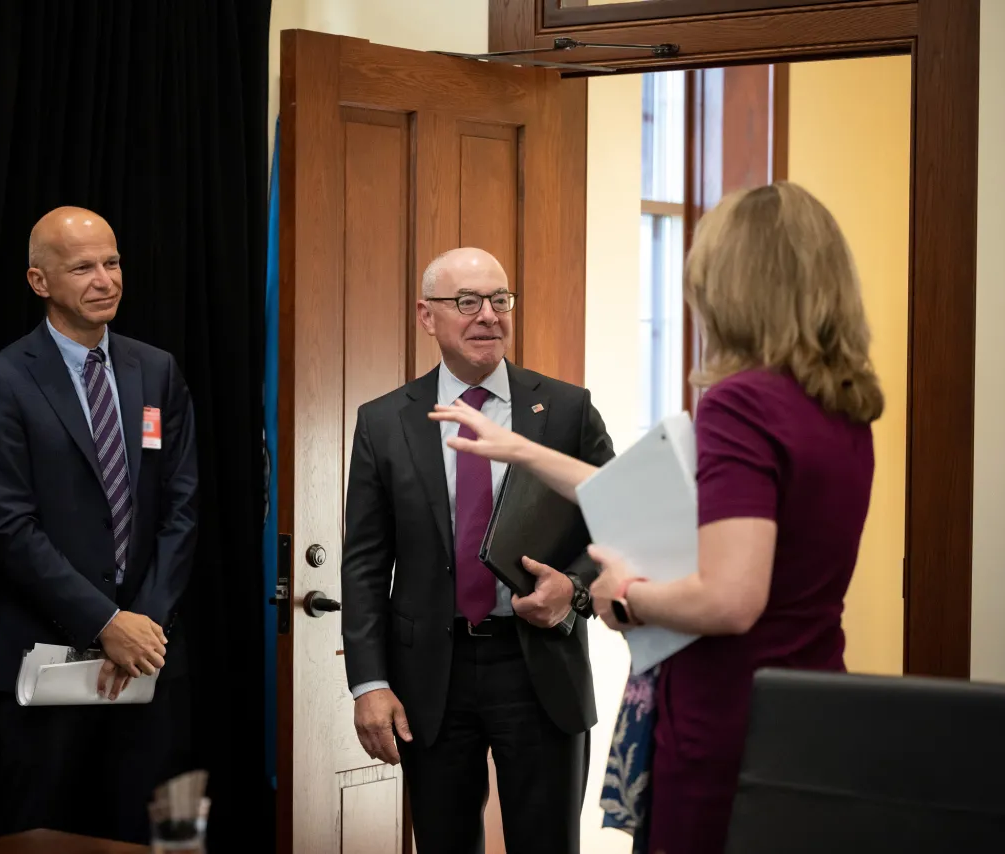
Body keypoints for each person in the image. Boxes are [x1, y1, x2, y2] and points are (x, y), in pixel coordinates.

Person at [431, 181, 882, 854]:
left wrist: (627, 598)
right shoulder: (841, 405)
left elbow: (731, 599)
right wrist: (522, 450)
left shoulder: (741, 403)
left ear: (732, 284)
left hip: (729, 713)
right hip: (812, 707)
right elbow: (655, 499)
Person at [341, 247, 616, 854]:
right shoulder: (384, 421)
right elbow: (364, 563)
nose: (488, 315)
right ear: (427, 315)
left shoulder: (566, 409)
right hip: (429, 679)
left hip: (539, 666)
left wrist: (572, 590)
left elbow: (619, 522)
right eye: (467, 302)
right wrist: (369, 684)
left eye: (500, 300)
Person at [0, 206, 199, 844]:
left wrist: (140, 624)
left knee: (155, 836)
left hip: (149, 662)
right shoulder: (1, 382)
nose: (106, 280)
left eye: (113, 262)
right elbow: (5, 526)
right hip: (46, 661)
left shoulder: (157, 371)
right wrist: (104, 622)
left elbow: (182, 505)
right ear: (40, 282)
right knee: (39, 836)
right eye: (84, 267)